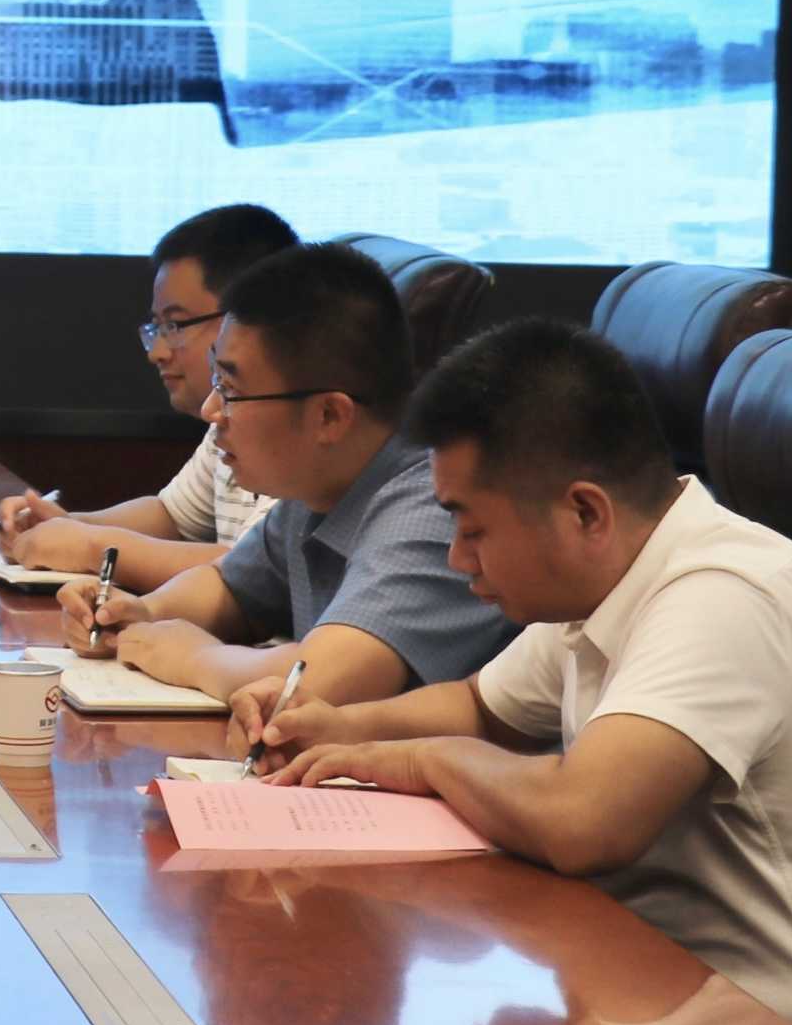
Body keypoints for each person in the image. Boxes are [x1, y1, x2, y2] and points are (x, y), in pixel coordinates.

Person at [248, 317, 792, 1025]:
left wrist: (423, 760)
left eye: (473, 529)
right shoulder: (611, 576)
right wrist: (336, 726)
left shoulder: (724, 594)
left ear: (584, 512)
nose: (459, 560)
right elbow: (479, 707)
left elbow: (584, 820)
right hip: (673, 988)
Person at [63, 240, 508, 710]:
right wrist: (138, 613)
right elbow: (232, 588)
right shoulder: (320, 484)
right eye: (215, 382)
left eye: (230, 389)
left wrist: (193, 657)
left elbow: (321, 681)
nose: (212, 410)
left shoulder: (433, 504)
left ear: (329, 416)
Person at [0, 202, 298, 587]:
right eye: (157, 327)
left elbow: (252, 567)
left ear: (244, 318)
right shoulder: (224, 418)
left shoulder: (295, 434)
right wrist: (62, 526)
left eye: (175, 325)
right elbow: (171, 516)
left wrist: (92, 547)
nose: (157, 352)